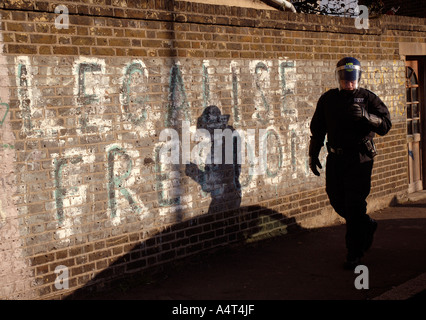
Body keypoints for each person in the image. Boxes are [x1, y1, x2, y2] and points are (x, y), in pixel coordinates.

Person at [309, 57, 392, 269]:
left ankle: (354, 254)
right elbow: (317, 129)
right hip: (336, 159)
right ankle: (366, 224)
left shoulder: (367, 98)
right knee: (337, 200)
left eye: (352, 79)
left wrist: (367, 117)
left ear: (358, 78)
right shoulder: (328, 99)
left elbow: (385, 125)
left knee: (354, 206)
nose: (349, 83)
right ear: (339, 78)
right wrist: (313, 154)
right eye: (345, 79)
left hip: (359, 158)